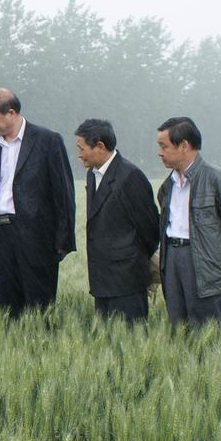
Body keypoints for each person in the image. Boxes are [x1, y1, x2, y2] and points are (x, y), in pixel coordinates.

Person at [0, 88, 75, 317]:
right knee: (8, 306)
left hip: (37, 235)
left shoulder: (48, 140)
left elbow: (63, 193)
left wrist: (62, 241)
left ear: (11, 112)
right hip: (0, 236)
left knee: (40, 306)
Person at [156, 117, 221, 324]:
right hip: (172, 261)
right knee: (178, 328)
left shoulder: (220, 181)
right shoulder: (167, 187)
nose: (160, 152)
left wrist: (218, 265)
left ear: (184, 146)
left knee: (206, 332)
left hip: (204, 267)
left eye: (164, 146)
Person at [74, 119, 159, 321]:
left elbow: (150, 229)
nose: (79, 154)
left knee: (131, 336)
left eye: (82, 148)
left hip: (127, 281)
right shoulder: (92, 175)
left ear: (100, 146)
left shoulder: (131, 177)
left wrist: (131, 258)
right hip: (101, 280)